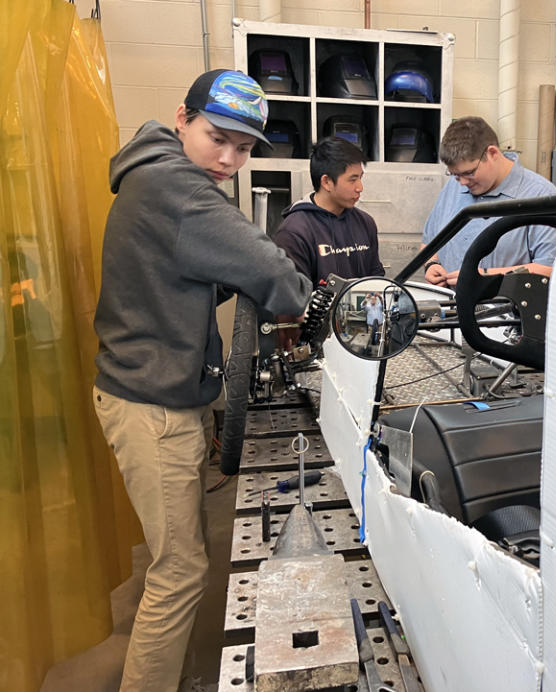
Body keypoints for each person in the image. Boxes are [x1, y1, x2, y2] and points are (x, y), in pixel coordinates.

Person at [92, 69, 312, 692]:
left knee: (174, 561)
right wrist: (300, 300)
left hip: (147, 392)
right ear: (182, 118)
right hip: (153, 409)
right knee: (181, 570)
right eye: (217, 137)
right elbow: (277, 275)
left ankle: (172, 677)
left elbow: (190, 270)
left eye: (244, 148)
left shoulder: (153, 172)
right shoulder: (179, 190)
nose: (228, 158)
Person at [421, 116, 556, 289]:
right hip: (450, 308)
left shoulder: (541, 195)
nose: (462, 182)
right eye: (455, 175)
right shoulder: (454, 186)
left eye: (469, 173)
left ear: (492, 153)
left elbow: (549, 269)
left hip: (504, 312)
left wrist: (485, 277)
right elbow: (429, 242)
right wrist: (431, 264)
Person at [272, 136, 384, 286]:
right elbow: (293, 297)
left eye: (360, 178)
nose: (360, 187)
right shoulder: (295, 232)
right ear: (326, 182)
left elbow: (376, 278)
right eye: (352, 179)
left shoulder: (365, 222)